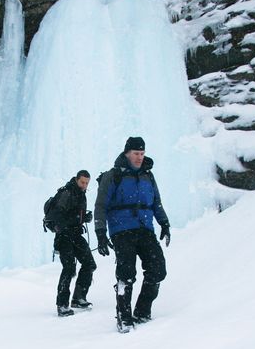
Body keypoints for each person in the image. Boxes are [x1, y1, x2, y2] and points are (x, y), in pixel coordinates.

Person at [94, 137, 171, 333]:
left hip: (145, 229)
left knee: (158, 270)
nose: (139, 157)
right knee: (126, 274)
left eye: (142, 154)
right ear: (127, 153)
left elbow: (156, 202)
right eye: (136, 154)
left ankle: (142, 311)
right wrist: (100, 232)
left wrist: (164, 223)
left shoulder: (148, 176)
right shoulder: (112, 176)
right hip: (122, 231)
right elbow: (100, 205)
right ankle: (124, 317)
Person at [50, 170, 97, 317]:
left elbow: (76, 215)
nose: (84, 185)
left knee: (89, 264)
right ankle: (62, 305)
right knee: (69, 268)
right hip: (64, 236)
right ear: (76, 180)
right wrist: (75, 219)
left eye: (87, 183)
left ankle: (78, 298)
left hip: (76, 234)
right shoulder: (66, 193)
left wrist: (84, 218)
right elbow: (58, 215)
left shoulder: (80, 194)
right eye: (82, 182)